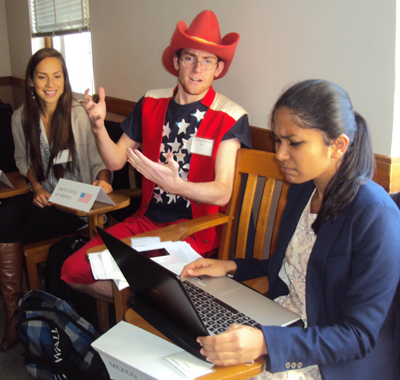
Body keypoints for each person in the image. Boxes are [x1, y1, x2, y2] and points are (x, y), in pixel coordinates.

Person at [181, 79, 400, 380]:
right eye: (277, 140)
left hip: (329, 359)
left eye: (293, 142)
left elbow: (358, 335)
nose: (280, 154)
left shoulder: (374, 214)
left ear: (337, 146)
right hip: (284, 324)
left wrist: (266, 343)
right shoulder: (303, 190)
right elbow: (295, 267)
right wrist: (230, 266)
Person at [61, 10, 251, 303]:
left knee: (155, 289)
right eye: (190, 57)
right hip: (145, 223)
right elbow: (115, 162)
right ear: (176, 61)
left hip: (195, 233)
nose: (197, 68)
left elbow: (223, 191)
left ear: (219, 68)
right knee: (73, 269)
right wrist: (98, 127)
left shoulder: (230, 117)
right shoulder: (151, 101)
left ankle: (146, 309)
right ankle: (142, 308)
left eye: (208, 60)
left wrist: (179, 187)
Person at [0, 47, 112, 351]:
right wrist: (35, 186)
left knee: (12, 229)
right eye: (42, 76)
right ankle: (13, 316)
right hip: (45, 193)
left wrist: (103, 179)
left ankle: (38, 305)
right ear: (31, 82)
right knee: (6, 214)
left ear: (65, 79)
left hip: (74, 202)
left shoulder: (77, 114)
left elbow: (97, 160)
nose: (51, 83)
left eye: (57, 76)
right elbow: (24, 161)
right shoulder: (21, 117)